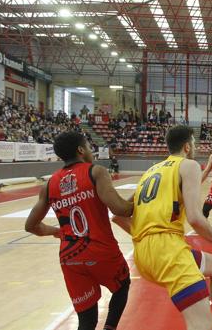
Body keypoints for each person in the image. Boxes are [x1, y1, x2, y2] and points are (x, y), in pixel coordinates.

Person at [127, 126, 212, 330]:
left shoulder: (149, 172)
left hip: (142, 254)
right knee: (203, 326)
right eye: (193, 144)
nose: (194, 147)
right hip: (167, 251)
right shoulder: (189, 165)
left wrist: (150, 237)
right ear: (187, 146)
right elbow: (194, 217)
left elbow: (118, 216)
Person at [24, 132, 133, 330]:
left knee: (87, 320)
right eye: (89, 147)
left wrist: (55, 231)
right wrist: (137, 198)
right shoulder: (96, 172)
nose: (91, 151)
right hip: (100, 250)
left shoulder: (49, 185)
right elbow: (120, 209)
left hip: (70, 257)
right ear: (81, 150)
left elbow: (31, 226)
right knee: (122, 285)